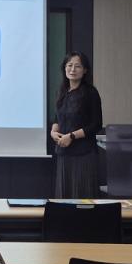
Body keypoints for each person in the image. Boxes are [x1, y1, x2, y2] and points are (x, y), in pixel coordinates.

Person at [50, 51, 103, 198]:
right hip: (64, 153)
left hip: (84, 154)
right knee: (64, 198)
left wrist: (71, 136)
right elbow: (58, 117)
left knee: (82, 198)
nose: (72, 69)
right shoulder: (61, 91)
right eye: (69, 65)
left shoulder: (90, 92)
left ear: (85, 70)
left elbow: (96, 124)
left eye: (77, 66)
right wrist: (53, 132)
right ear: (64, 68)